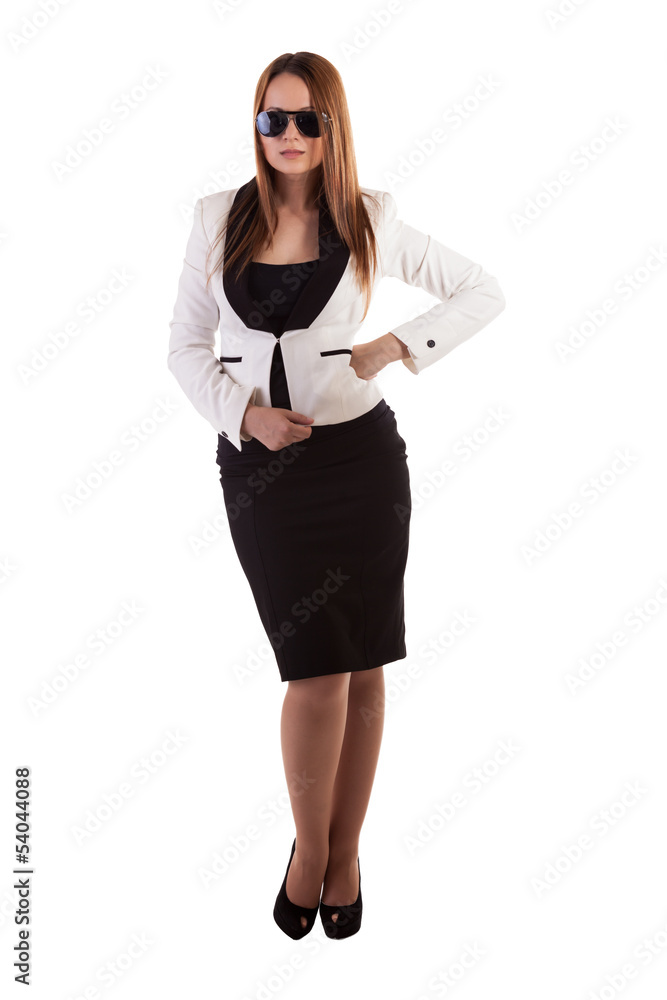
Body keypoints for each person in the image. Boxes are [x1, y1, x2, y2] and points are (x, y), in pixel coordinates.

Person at [167, 51, 505, 941]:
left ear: (331, 128)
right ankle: (307, 850)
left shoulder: (368, 218)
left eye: (305, 120)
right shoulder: (216, 218)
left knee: (363, 663)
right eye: (271, 118)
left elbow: (481, 290)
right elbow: (184, 346)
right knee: (313, 672)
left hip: (361, 466)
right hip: (263, 476)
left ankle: (344, 852)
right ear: (256, 126)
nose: (286, 134)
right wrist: (244, 415)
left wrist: (396, 346)